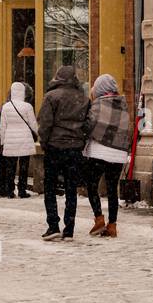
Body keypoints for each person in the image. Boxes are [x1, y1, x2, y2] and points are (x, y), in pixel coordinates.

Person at [37, 64, 89, 241]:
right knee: (70, 188)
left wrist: (44, 143)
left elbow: (44, 124)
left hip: (55, 147)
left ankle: (53, 225)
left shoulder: (51, 96)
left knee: (50, 187)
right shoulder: (83, 98)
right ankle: (69, 228)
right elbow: (88, 124)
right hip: (74, 148)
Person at [83, 75, 133, 238]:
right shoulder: (123, 105)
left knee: (92, 186)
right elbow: (126, 129)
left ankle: (99, 218)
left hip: (99, 152)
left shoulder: (97, 104)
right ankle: (112, 225)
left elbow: (90, 125)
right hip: (117, 154)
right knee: (112, 190)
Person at [0, 81, 39, 198]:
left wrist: (3, 141)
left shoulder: (5, 107)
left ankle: (10, 190)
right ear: (23, 93)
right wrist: (38, 134)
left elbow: (2, 126)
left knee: (11, 167)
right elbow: (33, 124)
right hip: (25, 139)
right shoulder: (28, 106)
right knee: (24, 166)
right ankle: (22, 190)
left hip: (10, 139)